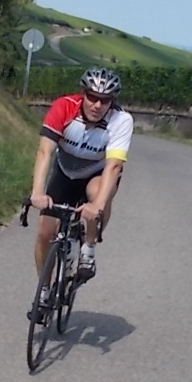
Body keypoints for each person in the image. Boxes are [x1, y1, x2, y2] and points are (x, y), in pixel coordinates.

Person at [28, 66, 133, 292]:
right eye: (92, 97)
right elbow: (45, 151)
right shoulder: (64, 107)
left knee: (98, 194)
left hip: (96, 173)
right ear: (82, 93)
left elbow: (114, 165)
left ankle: (88, 248)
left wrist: (97, 205)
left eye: (105, 100)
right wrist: (37, 191)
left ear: (112, 101)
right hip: (65, 171)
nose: (97, 105)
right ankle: (44, 290)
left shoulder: (121, 120)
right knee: (45, 232)